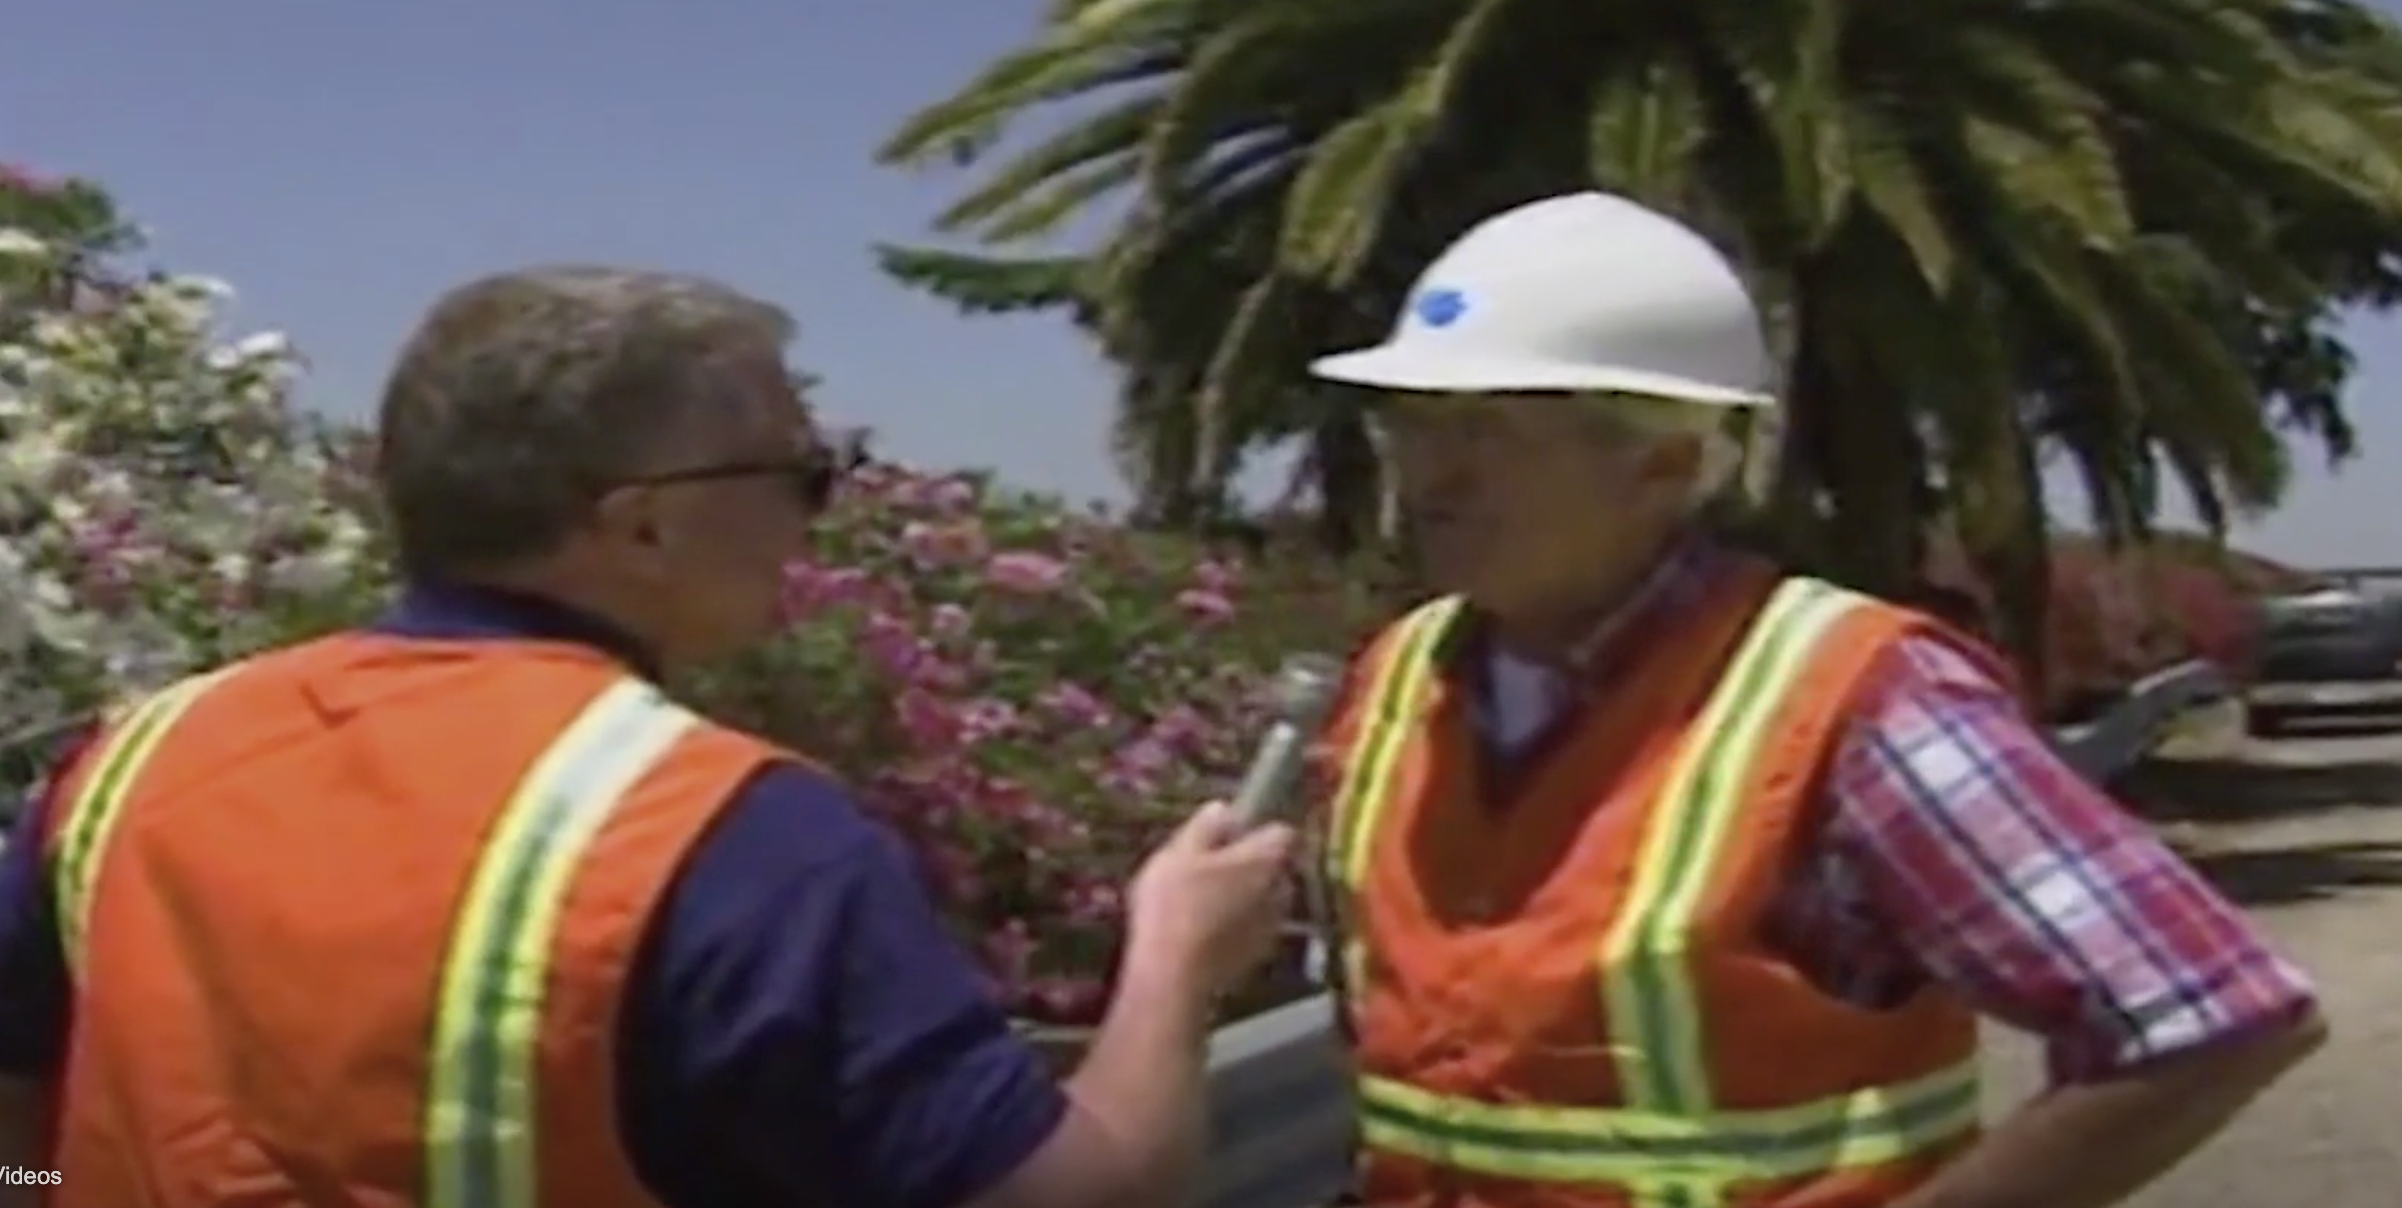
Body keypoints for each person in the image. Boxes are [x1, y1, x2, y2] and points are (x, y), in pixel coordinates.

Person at [0, 267, 1296, 1208]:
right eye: (798, 472)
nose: (814, 517)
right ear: (642, 528)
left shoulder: (129, 760)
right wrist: (1177, 957)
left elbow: (19, 1126)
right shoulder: (721, 833)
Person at [1303, 193, 2324, 1208]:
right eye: (1415, 420)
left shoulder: (1852, 694)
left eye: (1491, 428)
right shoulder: (1396, 675)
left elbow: (2212, 1016)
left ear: (1662, 461)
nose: (1430, 473)